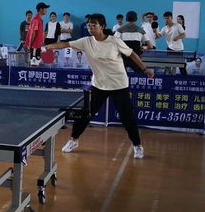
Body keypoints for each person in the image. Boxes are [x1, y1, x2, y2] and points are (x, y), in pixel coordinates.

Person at [45, 13, 152, 159]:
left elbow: (132, 54)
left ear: (102, 26)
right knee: (84, 114)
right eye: (89, 25)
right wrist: (49, 46)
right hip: (99, 85)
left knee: (127, 117)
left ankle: (137, 145)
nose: (90, 27)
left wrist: (145, 69)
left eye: (93, 25)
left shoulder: (114, 41)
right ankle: (73, 140)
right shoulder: (86, 41)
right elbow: (66, 44)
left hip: (118, 84)